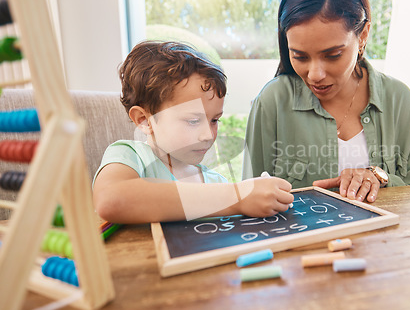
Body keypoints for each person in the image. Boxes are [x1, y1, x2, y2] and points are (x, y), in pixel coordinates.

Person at [243, 0, 410, 203]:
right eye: (300, 56)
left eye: (332, 55)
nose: (315, 74)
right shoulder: (273, 102)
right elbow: (248, 198)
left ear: (363, 35)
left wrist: (379, 178)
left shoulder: (399, 100)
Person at [93, 41, 293, 223]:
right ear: (145, 120)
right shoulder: (130, 157)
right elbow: (110, 199)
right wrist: (236, 196)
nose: (208, 135)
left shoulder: (217, 183)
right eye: (193, 121)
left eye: (215, 120)